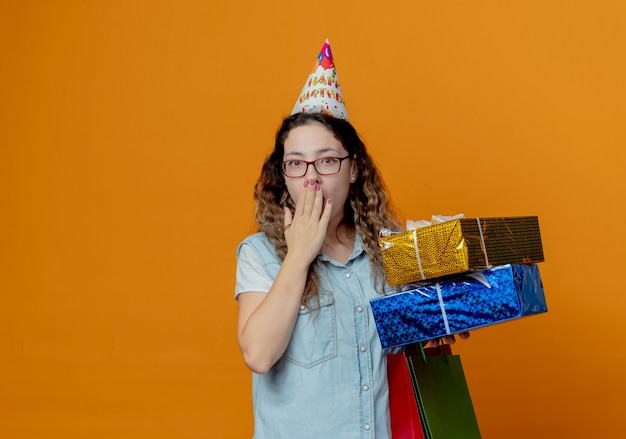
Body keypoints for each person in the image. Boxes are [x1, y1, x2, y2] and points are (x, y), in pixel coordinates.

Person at [235, 109, 401, 438]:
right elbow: (258, 355)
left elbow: (397, 346)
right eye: (296, 163)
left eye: (326, 161)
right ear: (283, 174)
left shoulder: (389, 248)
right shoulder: (259, 253)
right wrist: (299, 254)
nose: (311, 178)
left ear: (353, 169)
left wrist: (439, 322)